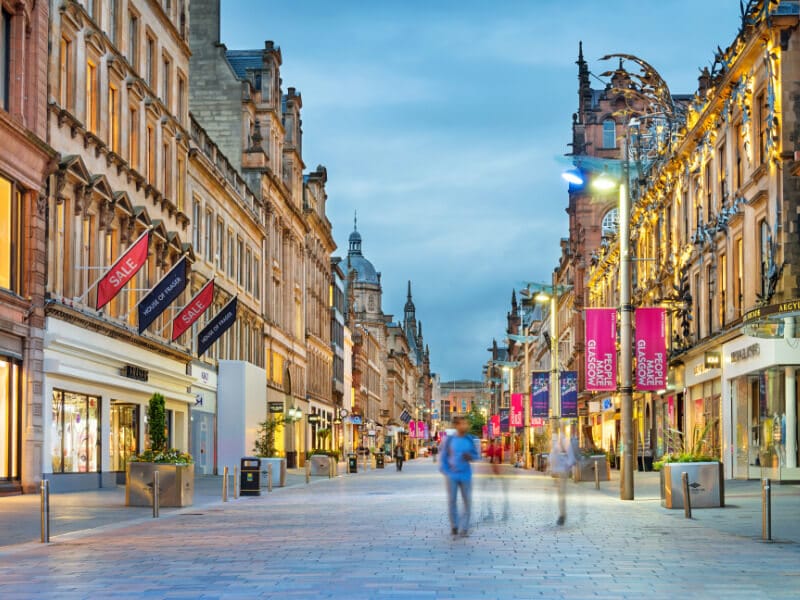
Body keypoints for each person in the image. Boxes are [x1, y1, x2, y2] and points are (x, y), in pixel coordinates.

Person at [439, 416, 480, 537]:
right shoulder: (449, 440)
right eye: (462, 424)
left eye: (466, 424)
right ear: (456, 425)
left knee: (467, 501)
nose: (465, 426)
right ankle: (455, 526)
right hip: (452, 475)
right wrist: (446, 470)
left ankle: (465, 527)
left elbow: (477, 455)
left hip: (466, 475)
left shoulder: (470, 439)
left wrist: (471, 457)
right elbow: (443, 457)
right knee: (452, 501)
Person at [549, 422, 577, 526]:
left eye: (561, 428)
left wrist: (566, 467)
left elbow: (571, 458)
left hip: (562, 473)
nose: (561, 430)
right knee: (560, 494)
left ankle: (562, 515)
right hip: (558, 473)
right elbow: (553, 456)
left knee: (561, 495)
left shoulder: (565, 442)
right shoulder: (557, 442)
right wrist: (552, 468)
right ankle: (562, 514)